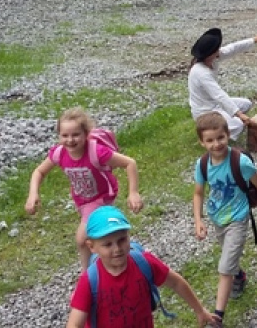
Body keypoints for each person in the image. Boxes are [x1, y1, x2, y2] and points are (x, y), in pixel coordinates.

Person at [25, 107, 144, 271]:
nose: (70, 140)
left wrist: (133, 192)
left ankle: (86, 274)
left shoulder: (97, 152)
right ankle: (116, 258)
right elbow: (39, 171)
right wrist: (33, 194)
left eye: (76, 135)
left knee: (82, 239)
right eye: (64, 135)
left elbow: (129, 163)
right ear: (58, 136)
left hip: (102, 197)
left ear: (86, 134)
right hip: (82, 200)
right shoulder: (60, 153)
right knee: (101, 234)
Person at [66, 206, 221, 328]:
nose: (117, 248)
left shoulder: (144, 263)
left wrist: (200, 310)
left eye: (121, 240)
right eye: (107, 244)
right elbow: (75, 323)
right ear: (91, 246)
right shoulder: (90, 281)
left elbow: (176, 282)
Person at [192, 112, 257, 324]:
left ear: (228, 134)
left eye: (220, 137)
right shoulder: (202, 165)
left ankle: (218, 316)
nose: (216, 144)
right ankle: (239, 275)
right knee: (229, 257)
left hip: (238, 218)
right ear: (201, 142)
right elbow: (198, 193)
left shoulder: (241, 162)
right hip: (217, 218)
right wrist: (198, 219)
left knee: (224, 268)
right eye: (210, 140)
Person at [188, 28, 257, 140]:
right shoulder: (201, 73)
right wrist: (240, 116)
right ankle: (217, 136)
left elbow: (233, 48)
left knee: (246, 104)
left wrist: (255, 39)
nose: (219, 50)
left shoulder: (213, 58)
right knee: (238, 125)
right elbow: (219, 95)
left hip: (215, 105)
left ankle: (224, 124)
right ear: (210, 53)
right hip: (204, 112)